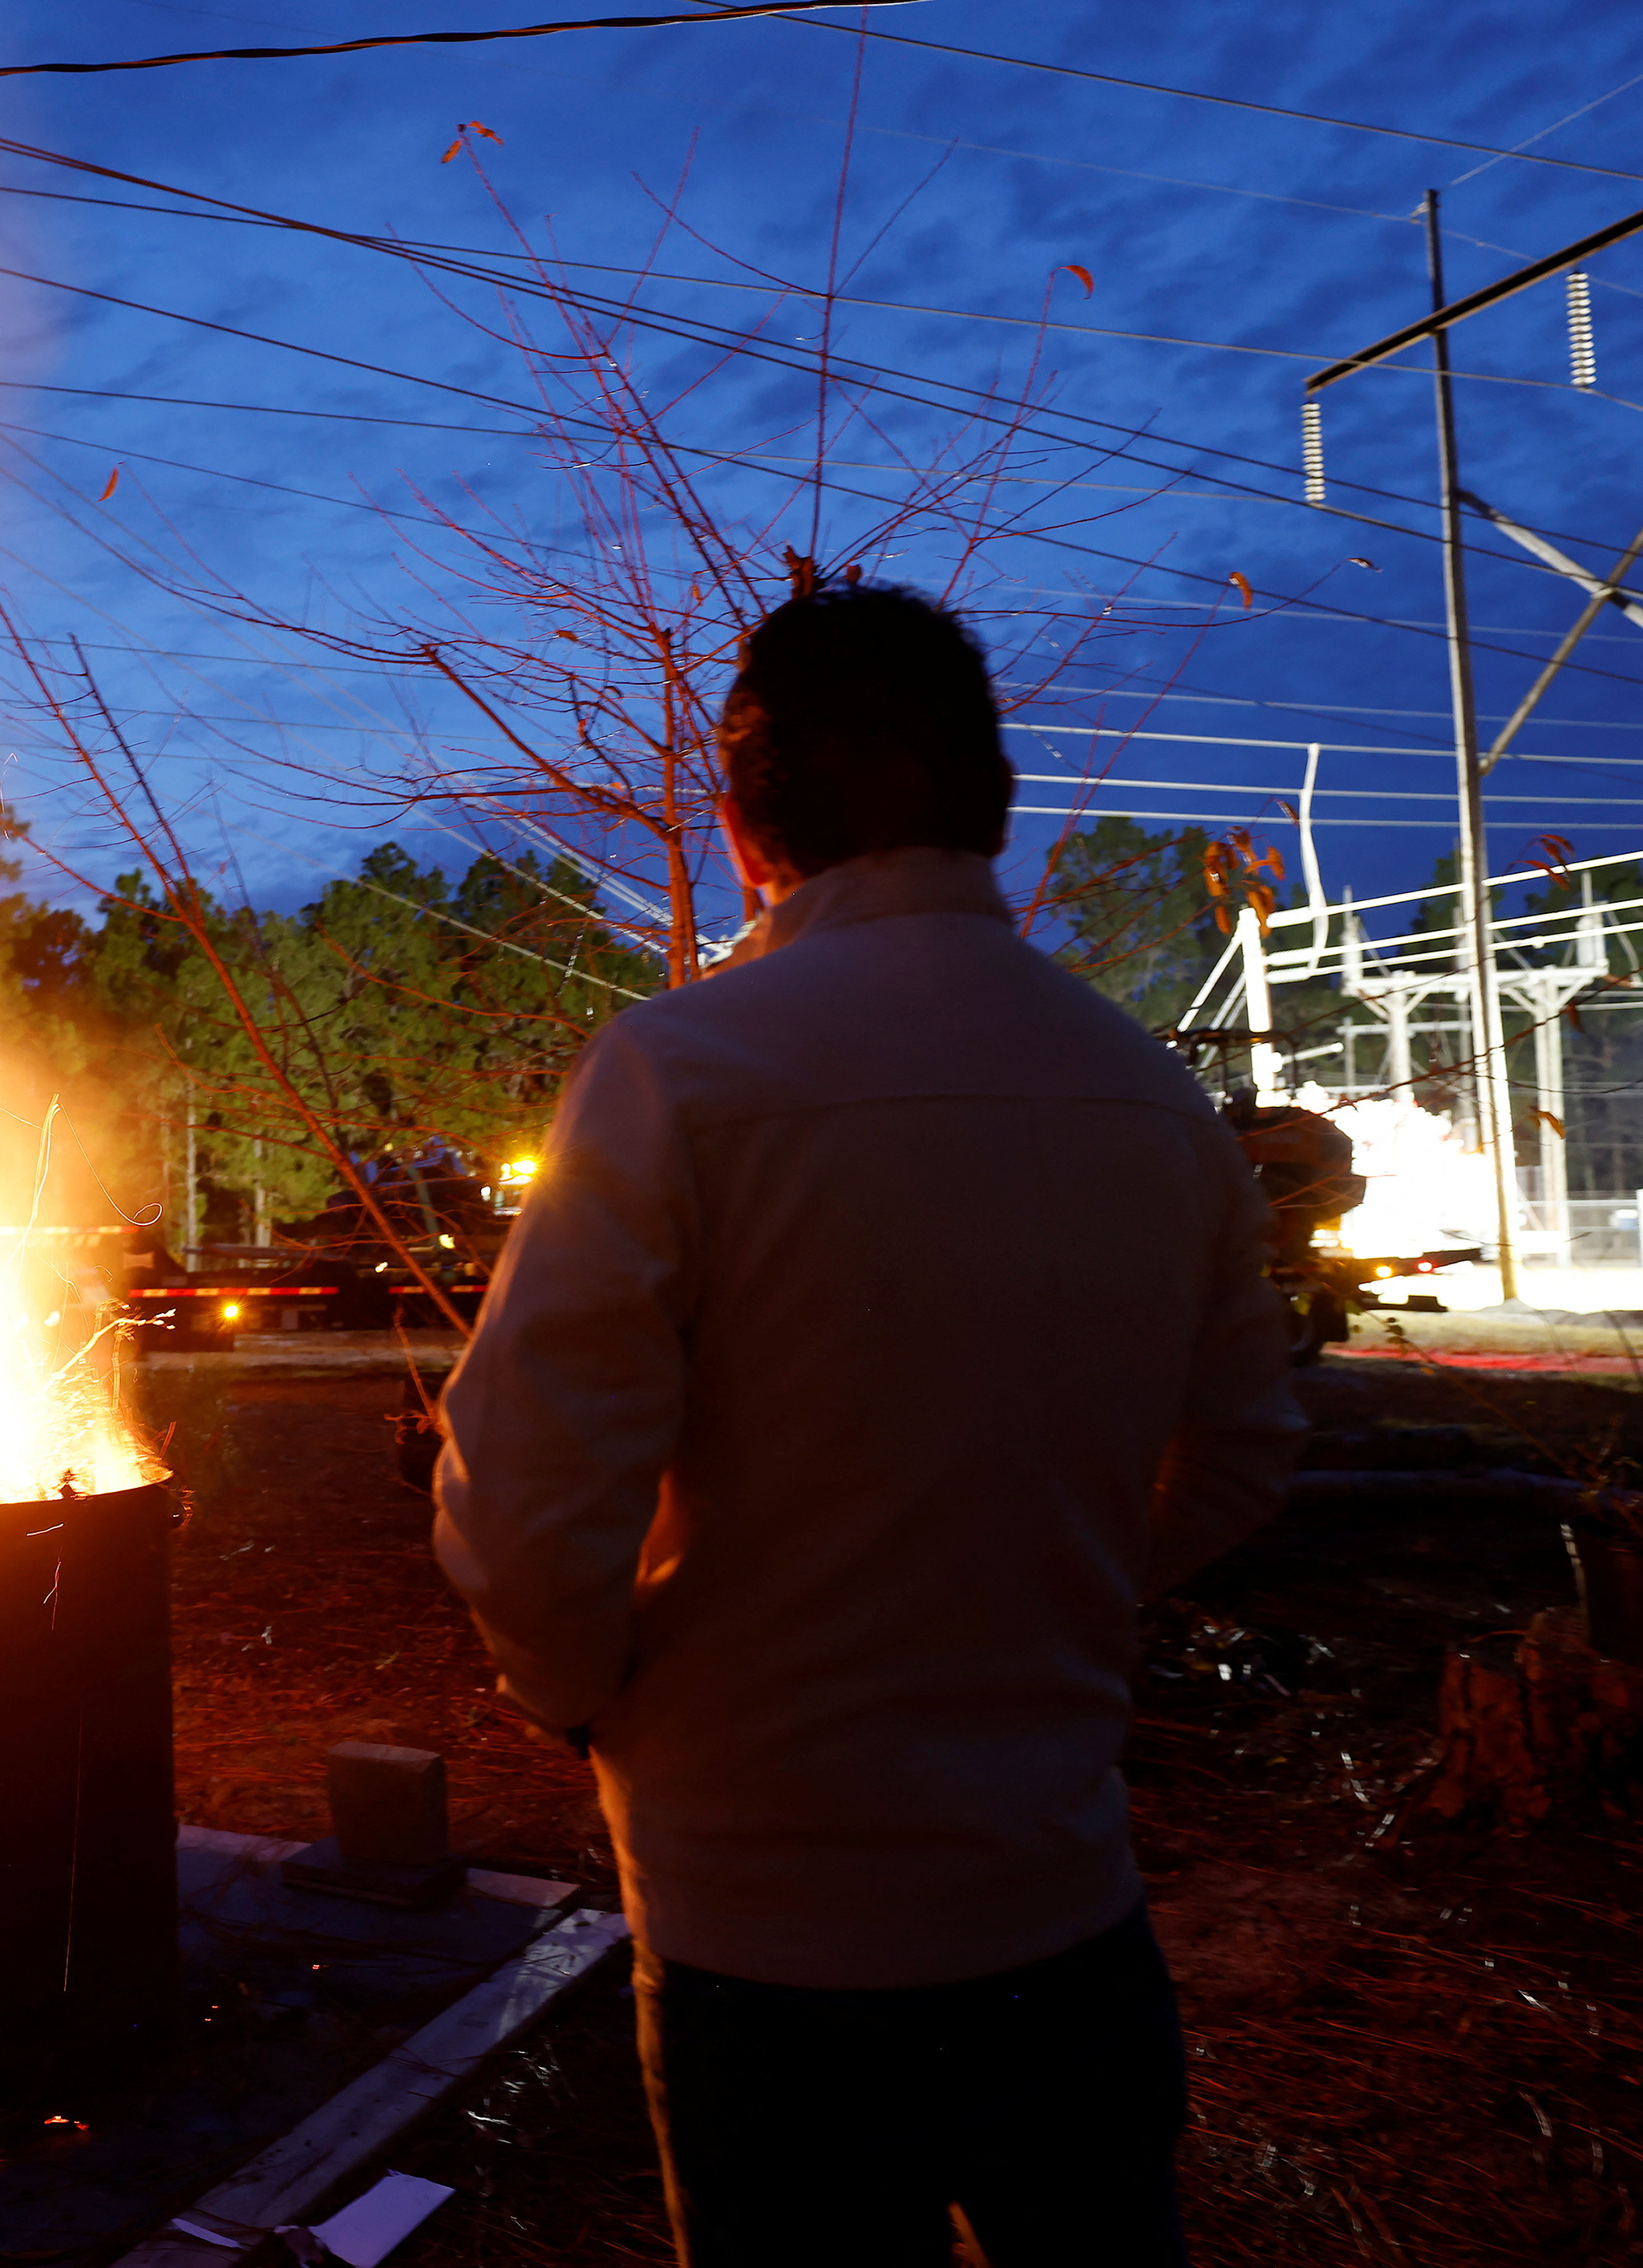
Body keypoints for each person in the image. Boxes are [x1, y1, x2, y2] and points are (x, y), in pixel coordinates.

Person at [431, 583, 1305, 2266]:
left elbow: (527, 1502)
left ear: (748, 828)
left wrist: (589, 1693)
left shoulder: (679, 1074)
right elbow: (1246, 1452)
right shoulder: (1150, 1098)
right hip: (1062, 1908)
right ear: (991, 800)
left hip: (768, 1933)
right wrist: (1051, 1595)